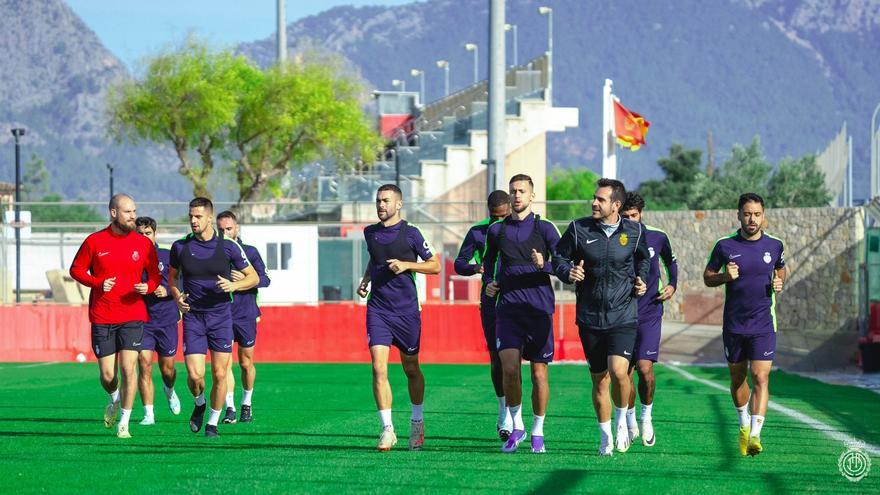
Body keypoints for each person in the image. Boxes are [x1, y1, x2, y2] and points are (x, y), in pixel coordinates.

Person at [554, 178, 649, 456]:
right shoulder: (577, 229)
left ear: (616, 205)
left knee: (620, 372)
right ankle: (605, 435)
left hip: (623, 315)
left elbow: (643, 259)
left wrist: (641, 279)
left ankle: (622, 424)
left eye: (601, 199)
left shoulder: (634, 232)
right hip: (590, 318)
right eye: (594, 198)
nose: (594, 203)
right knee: (600, 380)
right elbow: (559, 258)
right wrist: (567, 273)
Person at [481, 174, 562, 454]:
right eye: (513, 191)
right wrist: (488, 283)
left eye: (522, 191)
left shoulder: (546, 228)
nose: (517, 196)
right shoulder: (496, 231)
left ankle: (538, 430)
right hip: (508, 311)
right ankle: (517, 426)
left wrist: (546, 264)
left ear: (532, 196)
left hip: (539, 311)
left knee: (539, 375)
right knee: (510, 369)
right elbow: (488, 262)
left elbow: (564, 264)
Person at [357, 184, 441, 452]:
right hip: (378, 309)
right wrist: (366, 279)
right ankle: (387, 430)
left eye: (386, 201)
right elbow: (375, 260)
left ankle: (417, 422)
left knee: (411, 368)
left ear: (399, 204)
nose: (381, 205)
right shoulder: (370, 233)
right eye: (378, 200)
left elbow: (435, 265)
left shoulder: (412, 233)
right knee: (378, 368)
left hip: (407, 312)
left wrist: (408, 265)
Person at [69, 194, 160, 439]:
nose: (133, 216)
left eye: (134, 211)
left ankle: (125, 423)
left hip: (133, 314)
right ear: (113, 213)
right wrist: (97, 282)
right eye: (128, 212)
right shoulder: (94, 241)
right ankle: (114, 398)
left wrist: (148, 287)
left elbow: (154, 275)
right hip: (102, 316)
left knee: (129, 368)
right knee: (109, 376)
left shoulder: (143, 244)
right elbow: (76, 270)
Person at [168, 197, 259, 438]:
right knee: (195, 375)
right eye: (190, 216)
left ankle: (212, 423)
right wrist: (177, 297)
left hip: (220, 318)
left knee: (220, 374)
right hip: (193, 318)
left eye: (198, 216)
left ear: (210, 218)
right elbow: (173, 278)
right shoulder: (180, 247)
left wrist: (232, 285)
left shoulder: (228, 246)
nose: (193, 221)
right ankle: (199, 403)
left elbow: (253, 277)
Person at [703, 192, 785, 457]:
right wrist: (726, 276)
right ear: (738, 215)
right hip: (734, 326)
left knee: (761, 377)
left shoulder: (775, 245)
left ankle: (756, 436)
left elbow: (780, 268)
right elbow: (708, 277)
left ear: (764, 216)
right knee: (738, 377)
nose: (752, 219)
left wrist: (779, 281)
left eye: (757, 214)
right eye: (747, 214)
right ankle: (743, 425)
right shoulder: (724, 245)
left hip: (763, 324)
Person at [620, 192, 678, 447]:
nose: (630, 221)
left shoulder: (657, 236)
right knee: (624, 373)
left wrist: (672, 285)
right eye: (625, 217)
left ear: (641, 214)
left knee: (645, 369)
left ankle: (646, 417)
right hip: (621, 312)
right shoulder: (614, 238)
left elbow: (671, 263)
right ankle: (630, 420)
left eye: (634, 216)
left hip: (650, 311)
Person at [453, 190, 512, 440]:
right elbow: (459, 263)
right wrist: (476, 267)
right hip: (490, 301)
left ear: (511, 208)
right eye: (494, 216)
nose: (499, 221)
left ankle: (521, 415)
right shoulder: (478, 232)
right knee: (497, 358)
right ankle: (504, 411)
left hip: (522, 301)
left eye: (504, 216)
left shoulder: (524, 228)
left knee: (521, 362)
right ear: (489, 213)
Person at [216, 210, 271, 424]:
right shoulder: (214, 254)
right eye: (220, 230)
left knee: (246, 363)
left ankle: (246, 403)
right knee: (224, 363)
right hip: (221, 314)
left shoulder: (249, 252)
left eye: (228, 229)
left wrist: (246, 280)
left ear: (237, 228)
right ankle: (229, 408)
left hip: (246, 314)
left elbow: (265, 279)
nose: (225, 233)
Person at [134, 217, 182, 425]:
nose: (144, 238)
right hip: (142, 320)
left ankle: (169, 390)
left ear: (155, 234)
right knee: (144, 364)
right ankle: (148, 414)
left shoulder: (168, 256)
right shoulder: (129, 258)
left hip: (167, 319)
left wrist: (169, 292)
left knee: (167, 369)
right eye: (140, 234)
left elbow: (182, 283)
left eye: (148, 234)